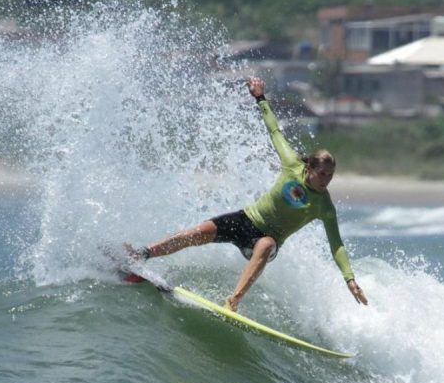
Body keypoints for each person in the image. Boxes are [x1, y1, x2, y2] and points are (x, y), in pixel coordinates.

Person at [126, 77, 368, 312]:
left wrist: (349, 279)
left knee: (266, 244)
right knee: (199, 232)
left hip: (265, 240)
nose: (327, 180)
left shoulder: (324, 206)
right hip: (245, 219)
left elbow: (337, 245)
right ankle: (143, 254)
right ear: (309, 168)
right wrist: (260, 97)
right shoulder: (292, 164)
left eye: (330, 175)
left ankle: (232, 302)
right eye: (323, 174)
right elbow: (274, 130)